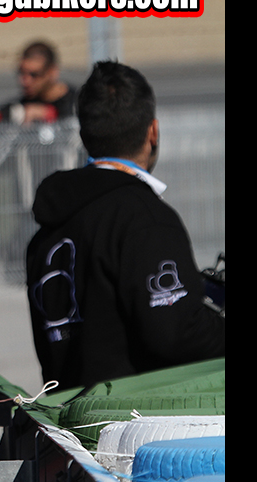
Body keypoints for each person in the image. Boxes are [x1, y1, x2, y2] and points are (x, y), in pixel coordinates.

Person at [26, 61, 225, 390]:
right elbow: (176, 335)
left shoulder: (48, 229)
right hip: (131, 427)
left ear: (84, 135)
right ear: (153, 132)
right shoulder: (144, 218)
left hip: (67, 423)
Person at [0, 40, 77, 125]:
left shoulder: (77, 102)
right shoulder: (23, 105)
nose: (25, 81)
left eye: (34, 75)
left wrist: (49, 114)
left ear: (52, 72)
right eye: (22, 73)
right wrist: (19, 114)